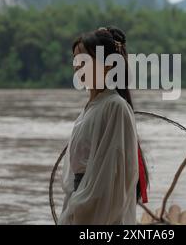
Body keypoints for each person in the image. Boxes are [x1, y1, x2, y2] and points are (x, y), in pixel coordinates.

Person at [58, 26, 149, 225]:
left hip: (96, 212)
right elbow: (75, 174)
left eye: (84, 60)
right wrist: (72, 206)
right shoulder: (89, 109)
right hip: (78, 202)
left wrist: (79, 207)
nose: (77, 66)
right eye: (75, 60)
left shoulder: (114, 107)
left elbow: (110, 176)